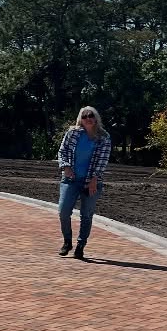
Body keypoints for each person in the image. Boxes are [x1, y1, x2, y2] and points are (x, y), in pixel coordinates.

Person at [56, 106, 111, 259]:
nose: (88, 119)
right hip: (71, 179)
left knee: (86, 215)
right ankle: (67, 241)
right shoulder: (72, 133)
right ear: (81, 118)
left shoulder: (104, 137)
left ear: (96, 118)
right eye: (85, 116)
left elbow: (102, 160)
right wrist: (65, 166)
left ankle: (81, 245)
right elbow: (63, 151)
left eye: (91, 116)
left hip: (91, 181)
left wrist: (94, 178)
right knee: (63, 212)